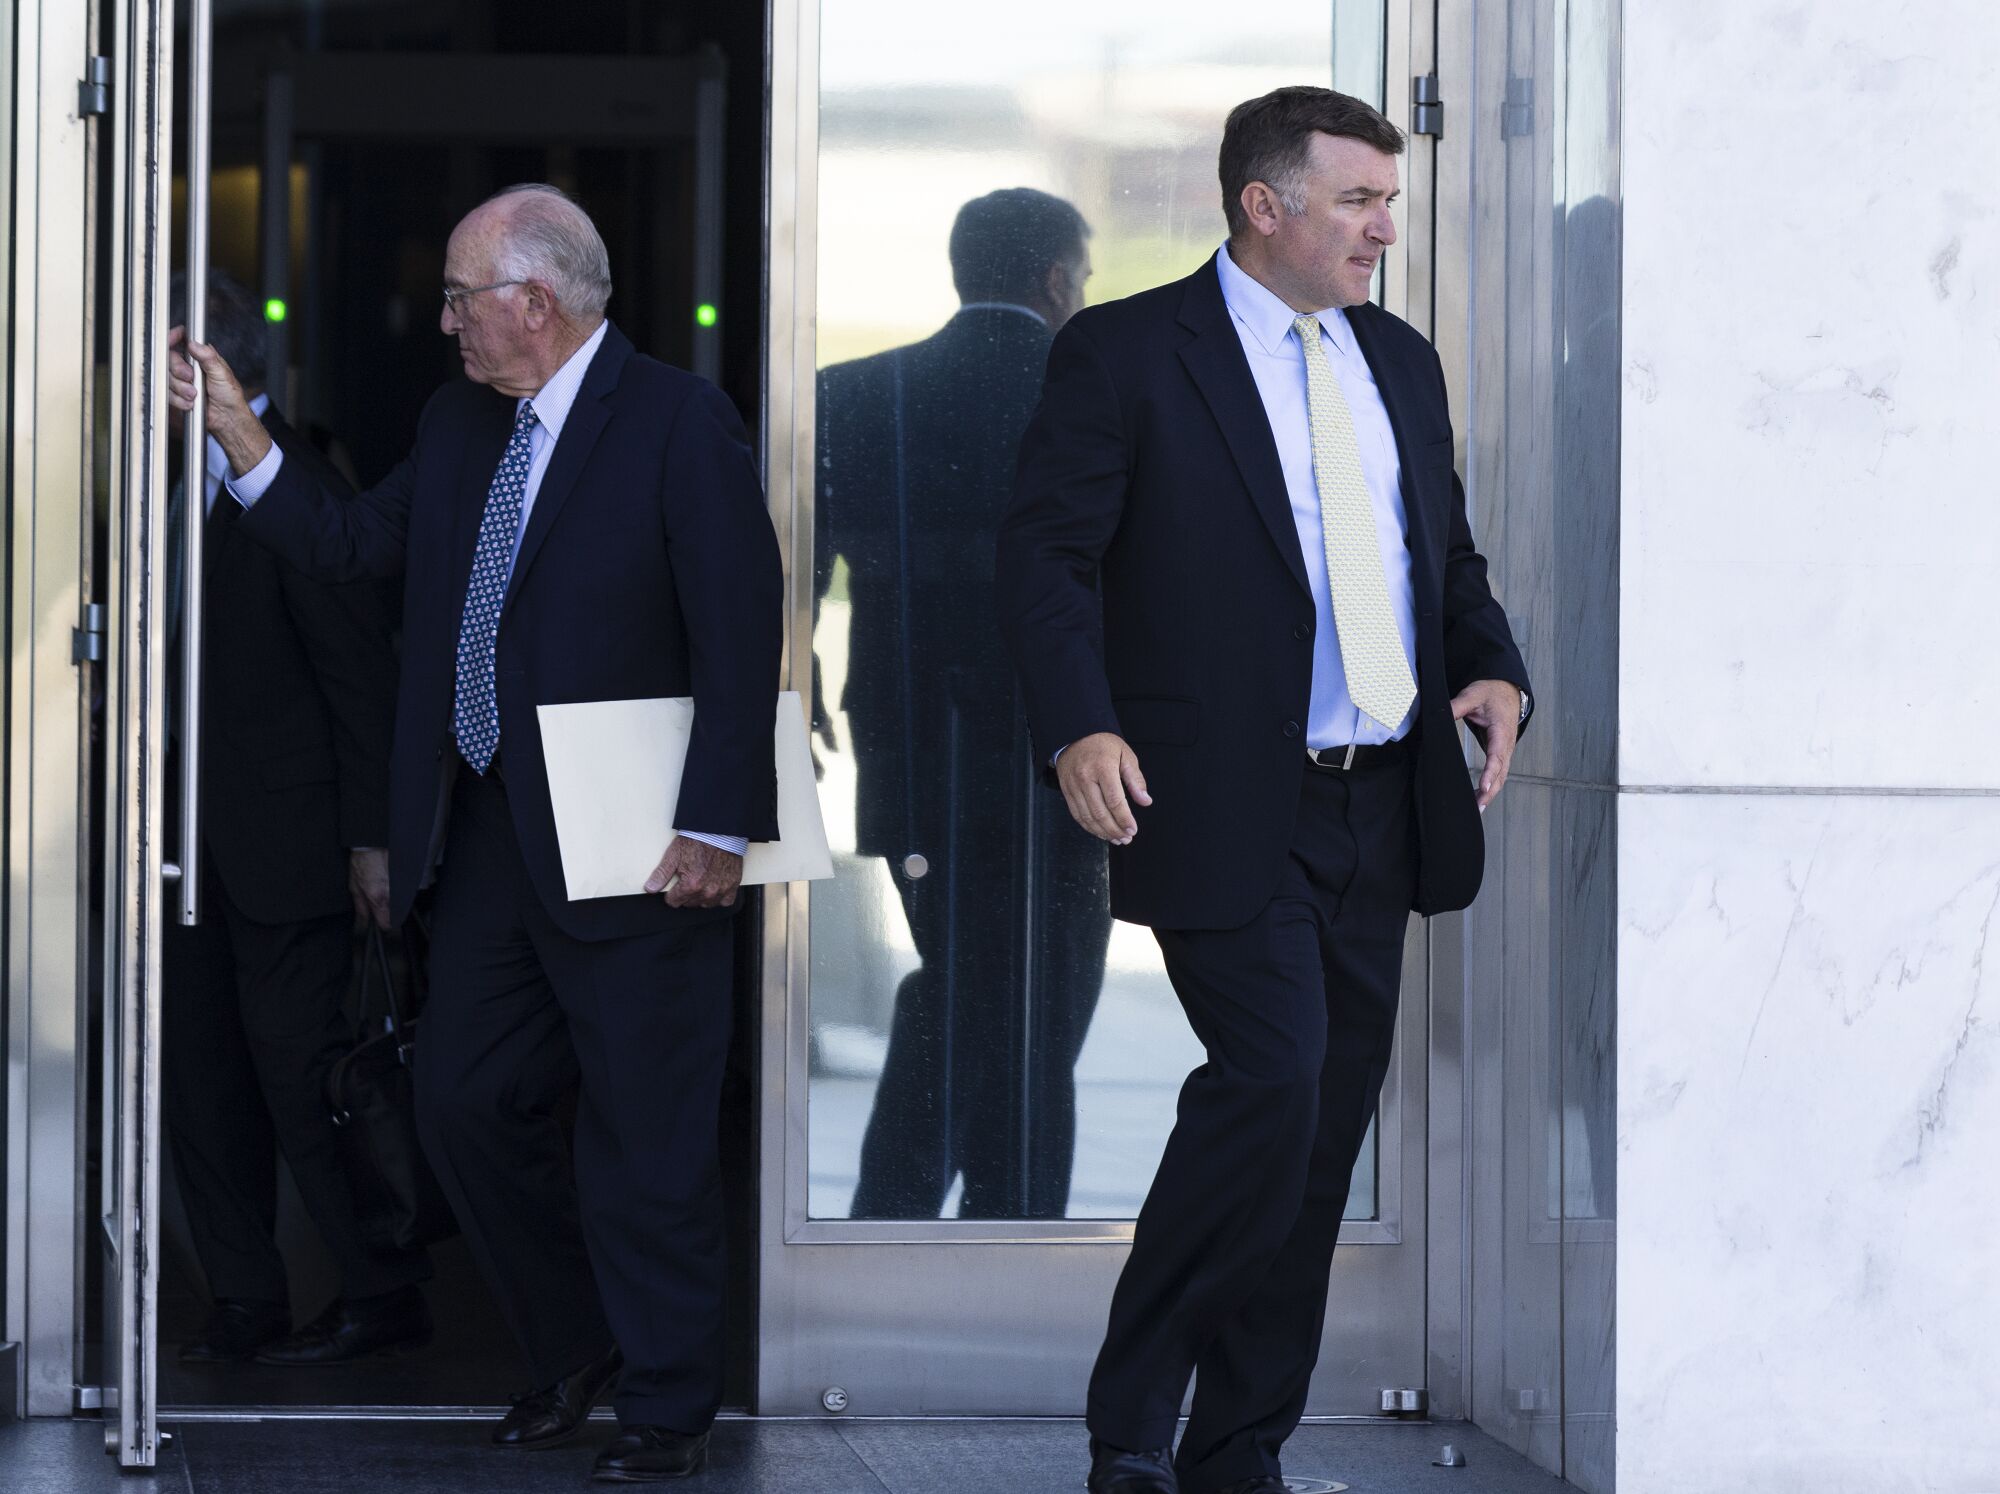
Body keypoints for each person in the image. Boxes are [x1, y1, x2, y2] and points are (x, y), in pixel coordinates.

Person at [169, 184, 782, 1483]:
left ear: (535, 303)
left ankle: (667, 1405)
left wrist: (722, 821)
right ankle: (575, 1343)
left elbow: (742, 630)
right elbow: (342, 546)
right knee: (457, 1101)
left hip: (640, 834)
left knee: (647, 1132)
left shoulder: (676, 421)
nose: (441, 319)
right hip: (494, 824)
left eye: (460, 297)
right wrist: (237, 428)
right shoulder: (459, 423)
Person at [996, 88, 1533, 1494]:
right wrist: (1078, 729)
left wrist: (1490, 665)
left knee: (1313, 1137)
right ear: (1265, 204)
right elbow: (1047, 559)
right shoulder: (1125, 354)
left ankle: (1239, 1445)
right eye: (1359, 201)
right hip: (1223, 798)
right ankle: (1134, 1417)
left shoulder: (1397, 361)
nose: (1384, 229)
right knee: (1273, 1082)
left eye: (1388, 202)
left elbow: (1444, 557)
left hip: (1379, 798)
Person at [818, 189, 1113, 1220]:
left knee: (959, 983)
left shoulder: (852, 393)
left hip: (907, 744)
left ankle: (891, 1219)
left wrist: (794, 684)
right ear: (1055, 281)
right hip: (1061, 751)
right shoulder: (1095, 394)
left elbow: (785, 569)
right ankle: (1002, 1229)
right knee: (1039, 1008)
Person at [161, 269, 430, 1367]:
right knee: (196, 1077)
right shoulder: (154, 485)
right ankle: (243, 1295)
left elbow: (363, 681)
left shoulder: (299, 487)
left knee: (297, 1074)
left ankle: (381, 1288)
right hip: (178, 850)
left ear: (199, 366)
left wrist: (372, 839)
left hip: (286, 848)